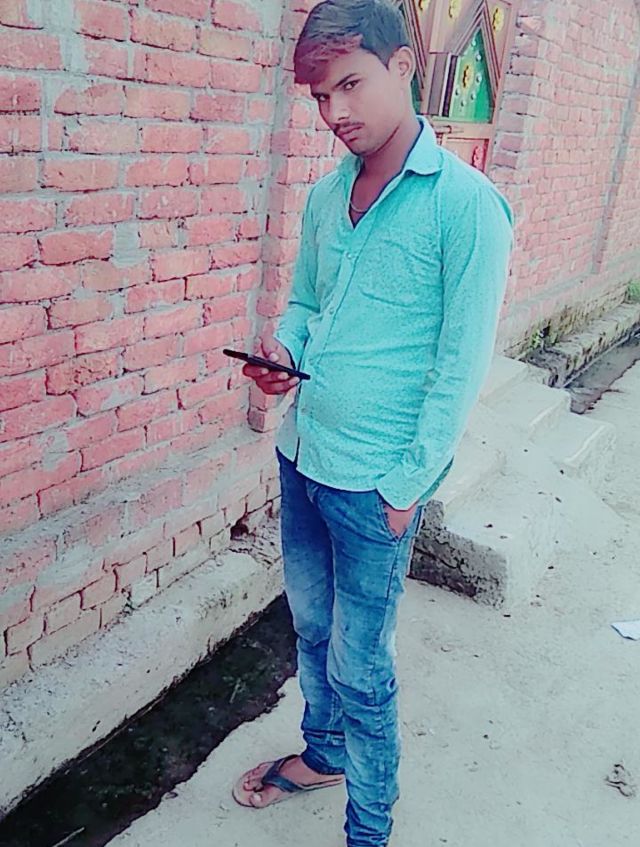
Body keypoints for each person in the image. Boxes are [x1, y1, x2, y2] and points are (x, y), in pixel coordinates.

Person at [233, 1, 514, 845]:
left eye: (350, 85)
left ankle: (369, 825)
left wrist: (406, 487)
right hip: (303, 456)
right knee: (310, 628)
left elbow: (460, 365)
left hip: (374, 487)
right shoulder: (328, 194)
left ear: (404, 65)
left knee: (361, 664)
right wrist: (281, 353)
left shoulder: (466, 206)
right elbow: (306, 303)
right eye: (321, 96)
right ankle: (324, 755)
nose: (335, 111)